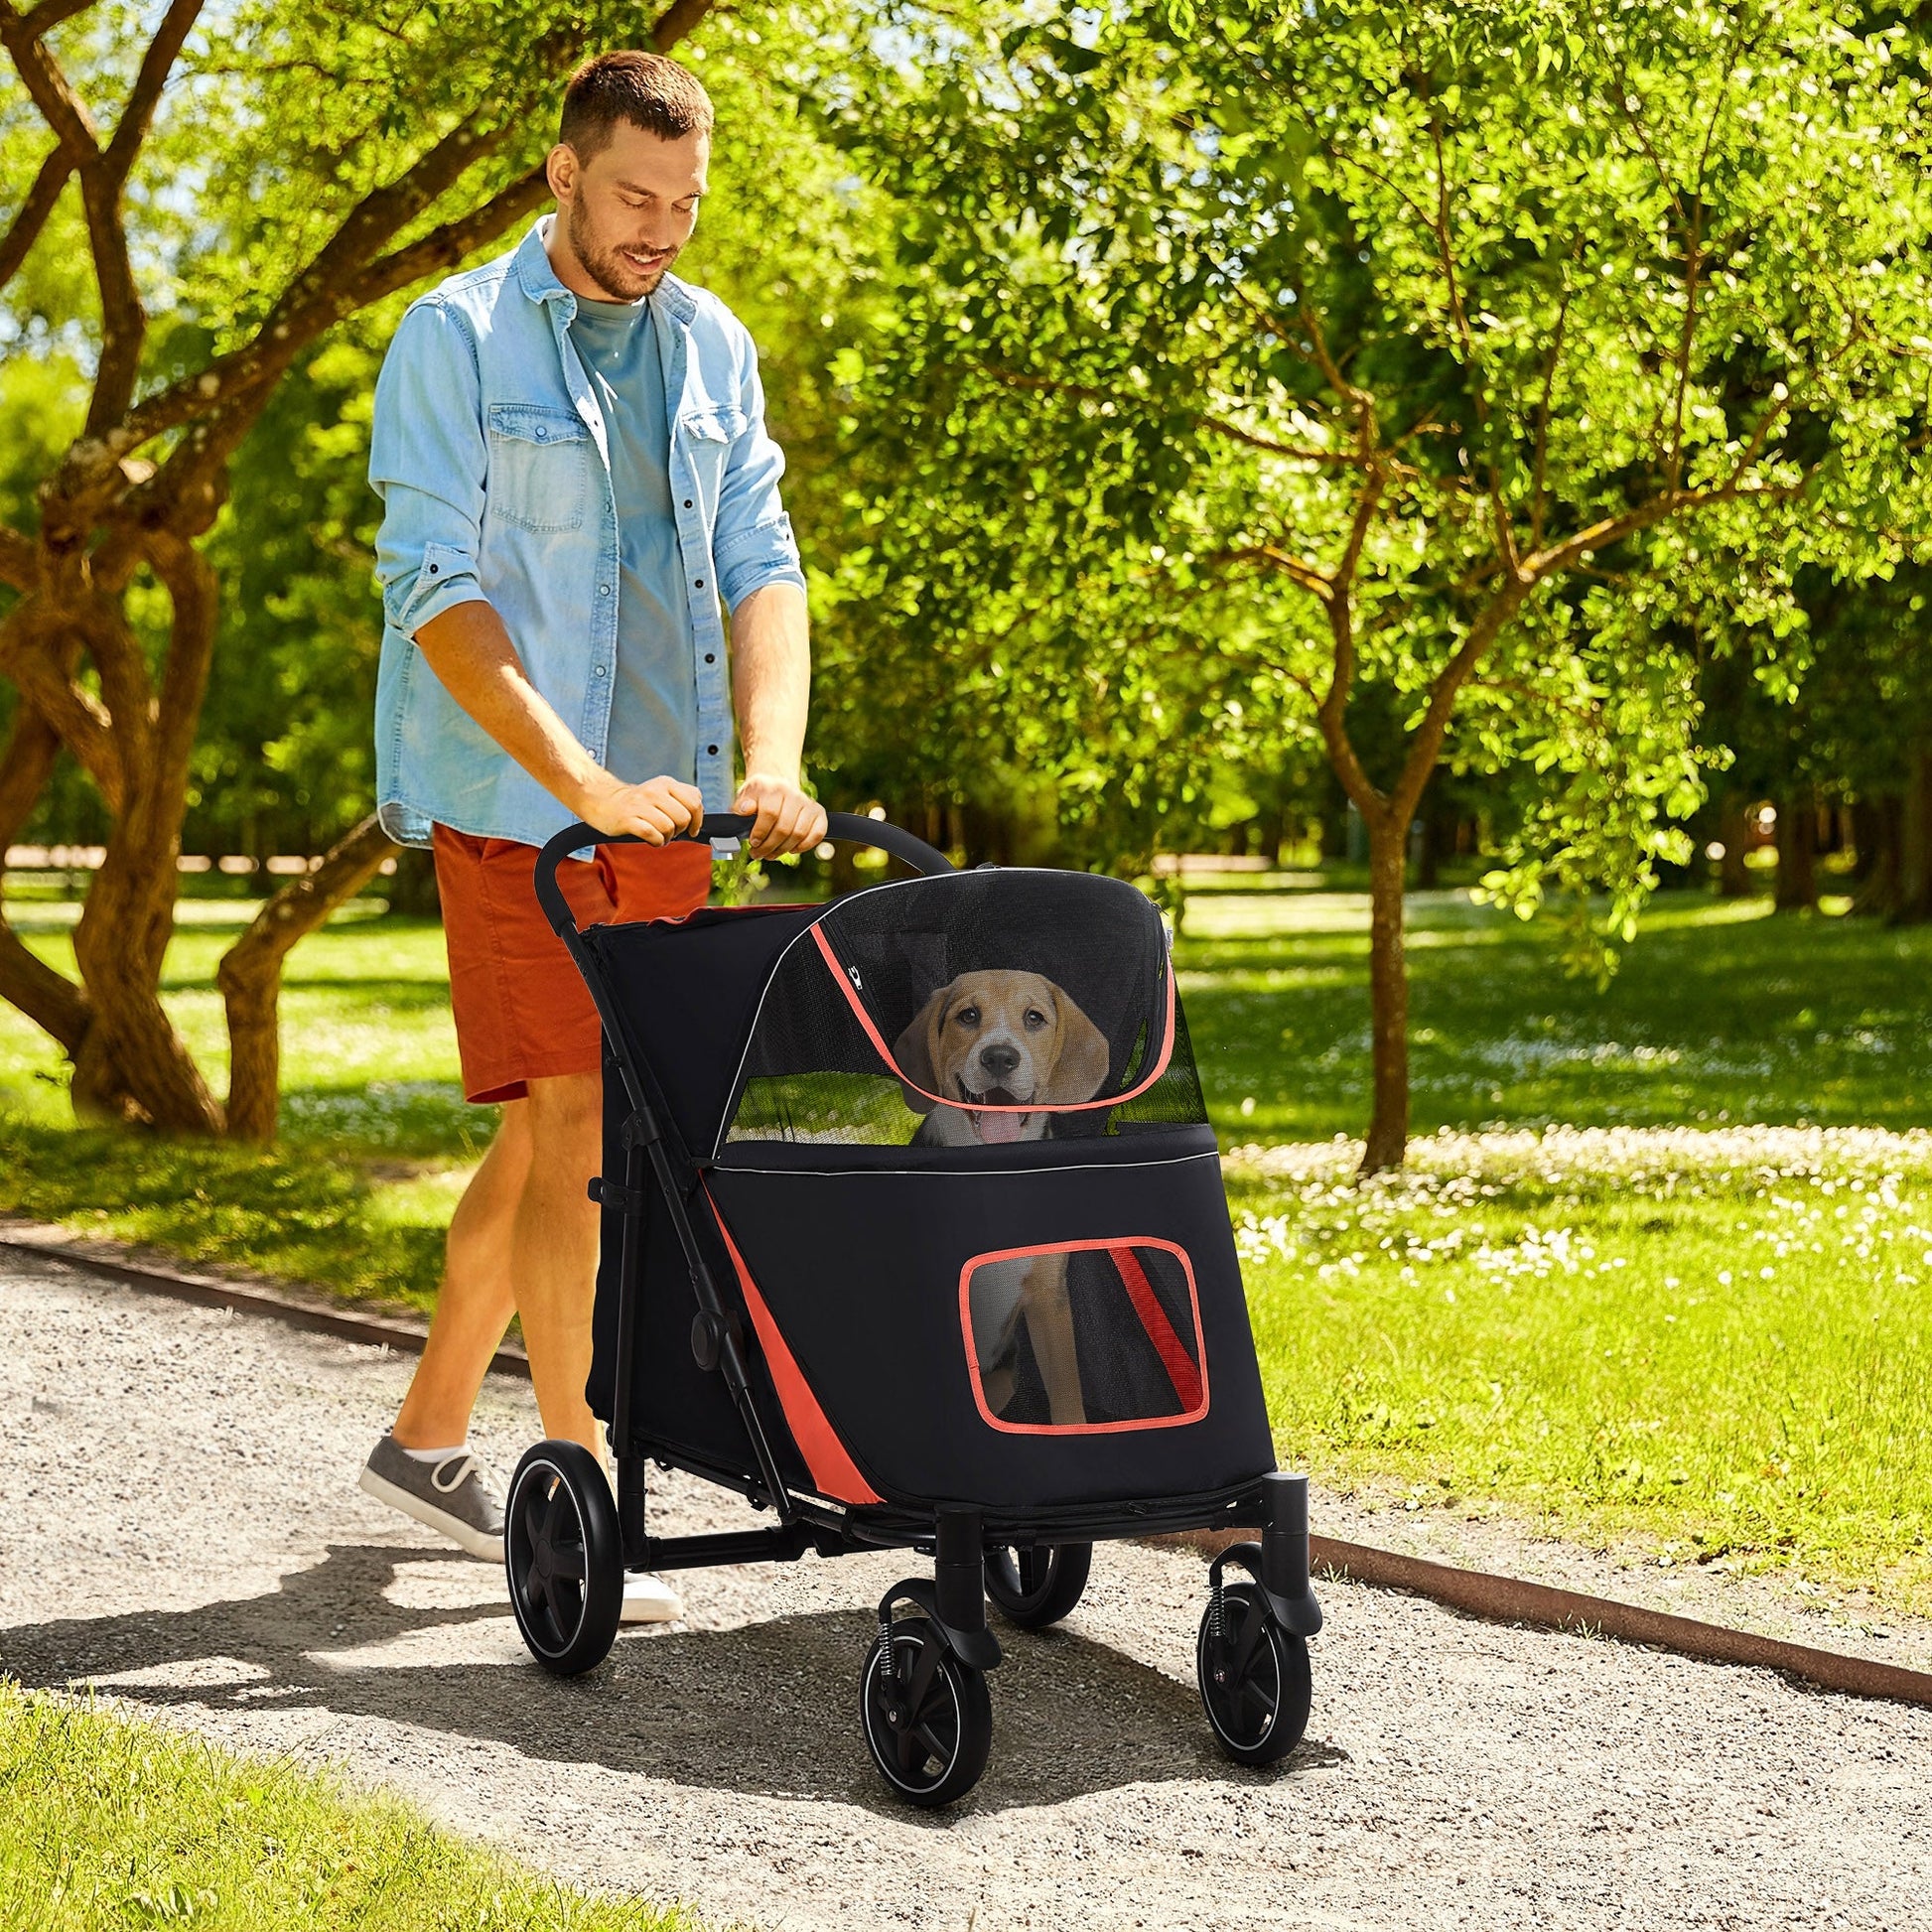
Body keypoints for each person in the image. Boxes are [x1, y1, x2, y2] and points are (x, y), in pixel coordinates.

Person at [355, 50, 827, 1622]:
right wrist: (581, 785)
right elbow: (434, 586)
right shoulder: (458, 338)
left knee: (570, 1121)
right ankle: (577, 1489)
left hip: (672, 800)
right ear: (563, 174)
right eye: (635, 197)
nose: (662, 230)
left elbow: (762, 553)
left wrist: (771, 758)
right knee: (577, 1131)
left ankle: (429, 1436)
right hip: (515, 807)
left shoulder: (708, 347)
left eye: (686, 204)